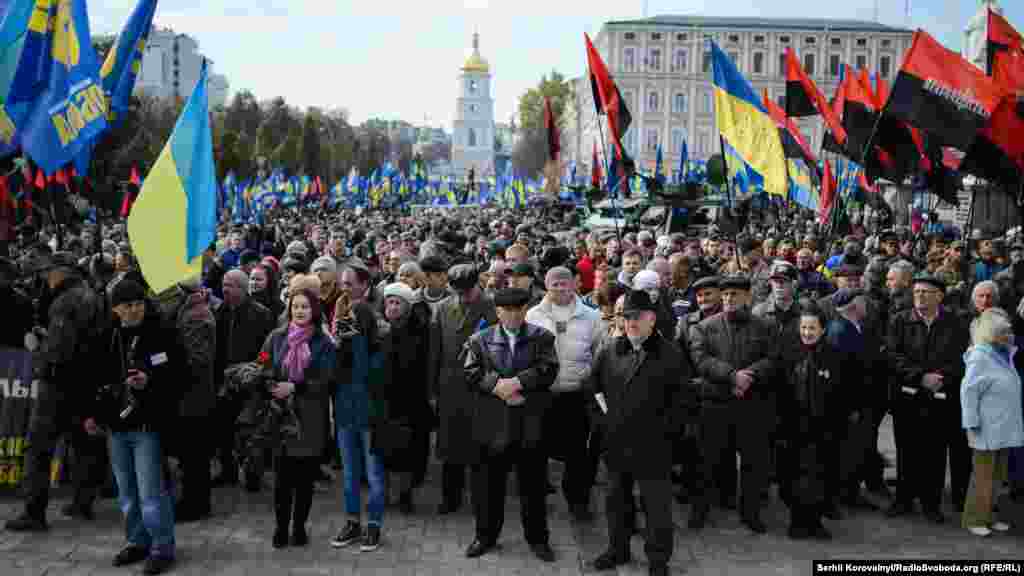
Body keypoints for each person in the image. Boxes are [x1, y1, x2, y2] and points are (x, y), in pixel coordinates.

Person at [586, 290, 691, 576]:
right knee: (616, 502)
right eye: (627, 317)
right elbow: (592, 389)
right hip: (617, 443)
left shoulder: (670, 354)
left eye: (638, 317)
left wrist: (664, 433)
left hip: (654, 446)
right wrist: (603, 423)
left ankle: (658, 560)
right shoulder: (609, 350)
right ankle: (617, 549)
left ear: (652, 319)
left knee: (656, 508)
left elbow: (683, 403)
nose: (631, 322)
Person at [6, 253, 109, 532]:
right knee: (82, 443)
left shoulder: (65, 302)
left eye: (49, 272)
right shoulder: (91, 295)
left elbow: (59, 353)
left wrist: (36, 348)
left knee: (38, 447)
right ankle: (82, 501)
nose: (45, 278)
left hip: (59, 385)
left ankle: (34, 511)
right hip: (85, 383)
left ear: (61, 272)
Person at [462, 287, 559, 561]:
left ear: (525, 310)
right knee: (487, 488)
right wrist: (496, 386)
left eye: (519, 309)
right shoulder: (480, 340)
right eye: (507, 310)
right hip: (492, 426)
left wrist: (517, 383)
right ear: (498, 312)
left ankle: (538, 539)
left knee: (533, 487)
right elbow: (470, 372)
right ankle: (485, 536)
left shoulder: (542, 338)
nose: (514, 315)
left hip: (530, 425)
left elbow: (549, 369)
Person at [95, 280, 184, 575]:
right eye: (128, 305)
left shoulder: (162, 333)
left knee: (151, 491)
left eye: (139, 303)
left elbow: (179, 373)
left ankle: (162, 545)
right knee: (127, 492)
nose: (134, 310)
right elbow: (92, 378)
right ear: (116, 308)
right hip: (116, 426)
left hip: (148, 424)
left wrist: (150, 380)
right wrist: (93, 414)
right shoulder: (107, 336)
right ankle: (137, 540)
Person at [689, 275, 777, 533]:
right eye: (725, 295)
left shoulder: (764, 326)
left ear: (747, 298)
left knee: (752, 463)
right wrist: (731, 376)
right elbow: (701, 360)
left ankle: (750, 514)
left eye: (734, 295)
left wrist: (750, 375)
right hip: (716, 404)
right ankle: (699, 511)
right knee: (706, 462)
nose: (728, 299)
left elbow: (773, 358)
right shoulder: (705, 327)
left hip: (751, 405)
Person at [887, 273, 971, 523]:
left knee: (934, 453)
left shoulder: (955, 323)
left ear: (940, 296)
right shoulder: (900, 321)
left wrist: (941, 377)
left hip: (940, 397)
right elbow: (892, 356)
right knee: (906, 450)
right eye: (916, 292)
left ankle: (931, 503)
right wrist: (920, 376)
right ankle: (903, 499)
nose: (920, 296)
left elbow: (961, 358)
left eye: (926, 292)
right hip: (908, 396)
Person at [258, 287, 335, 549]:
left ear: (314, 311)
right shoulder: (276, 337)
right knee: (282, 480)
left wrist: (296, 387)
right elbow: (263, 361)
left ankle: (299, 527)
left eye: (305, 306)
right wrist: (269, 383)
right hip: (281, 417)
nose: (300, 311)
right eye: (295, 306)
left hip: (310, 419)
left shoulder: (323, 343)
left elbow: (327, 378)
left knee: (304, 480)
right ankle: (280, 527)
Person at [526, 266, 604, 522]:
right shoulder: (533, 315)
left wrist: (588, 376)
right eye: (554, 284)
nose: (560, 288)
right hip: (543, 395)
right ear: (546, 286)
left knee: (577, 454)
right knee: (537, 451)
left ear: (574, 285)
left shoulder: (591, 316)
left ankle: (578, 501)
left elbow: (599, 352)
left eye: (565, 284)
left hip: (575, 395)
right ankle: (536, 501)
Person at [428, 264, 497, 515]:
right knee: (449, 447)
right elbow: (433, 352)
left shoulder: (491, 307)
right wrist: (432, 390)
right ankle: (450, 497)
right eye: (458, 291)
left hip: (480, 388)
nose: (463, 297)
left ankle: (482, 499)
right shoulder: (442, 308)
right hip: (450, 388)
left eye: (467, 291)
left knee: (480, 448)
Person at [960, 308, 1024, 536]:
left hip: (1003, 427)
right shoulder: (980, 356)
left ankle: (990, 516)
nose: (1010, 335)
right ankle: (974, 519)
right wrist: (971, 422)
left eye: (1009, 331)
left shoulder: (1004, 354)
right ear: (992, 334)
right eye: (1004, 332)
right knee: (983, 477)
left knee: (998, 476)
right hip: (985, 428)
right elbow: (968, 391)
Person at [784, 302, 845, 540]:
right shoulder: (790, 353)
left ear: (823, 329)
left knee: (821, 477)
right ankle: (797, 521)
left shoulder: (833, 355)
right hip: (794, 427)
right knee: (795, 477)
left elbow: (841, 394)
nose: (807, 333)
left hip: (823, 429)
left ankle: (815, 521)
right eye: (804, 328)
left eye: (812, 328)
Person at [375, 282, 434, 514]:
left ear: (408, 306)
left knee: (409, 454)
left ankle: (405, 495)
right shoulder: (379, 329)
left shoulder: (420, 330)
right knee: (385, 452)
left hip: (411, 400)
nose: (393, 307)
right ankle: (386, 494)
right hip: (384, 401)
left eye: (398, 302)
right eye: (389, 302)